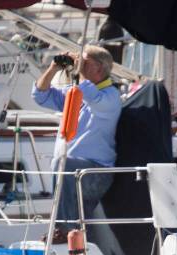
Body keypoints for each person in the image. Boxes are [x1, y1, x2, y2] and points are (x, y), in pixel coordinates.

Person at [32, 45, 121, 236]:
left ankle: (64, 231)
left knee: (63, 164)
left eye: (85, 62)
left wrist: (78, 72)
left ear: (99, 68)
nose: (78, 65)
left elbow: (91, 96)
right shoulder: (76, 92)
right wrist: (54, 68)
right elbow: (40, 96)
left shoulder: (111, 97)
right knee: (64, 165)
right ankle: (71, 233)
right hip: (74, 171)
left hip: (97, 172)